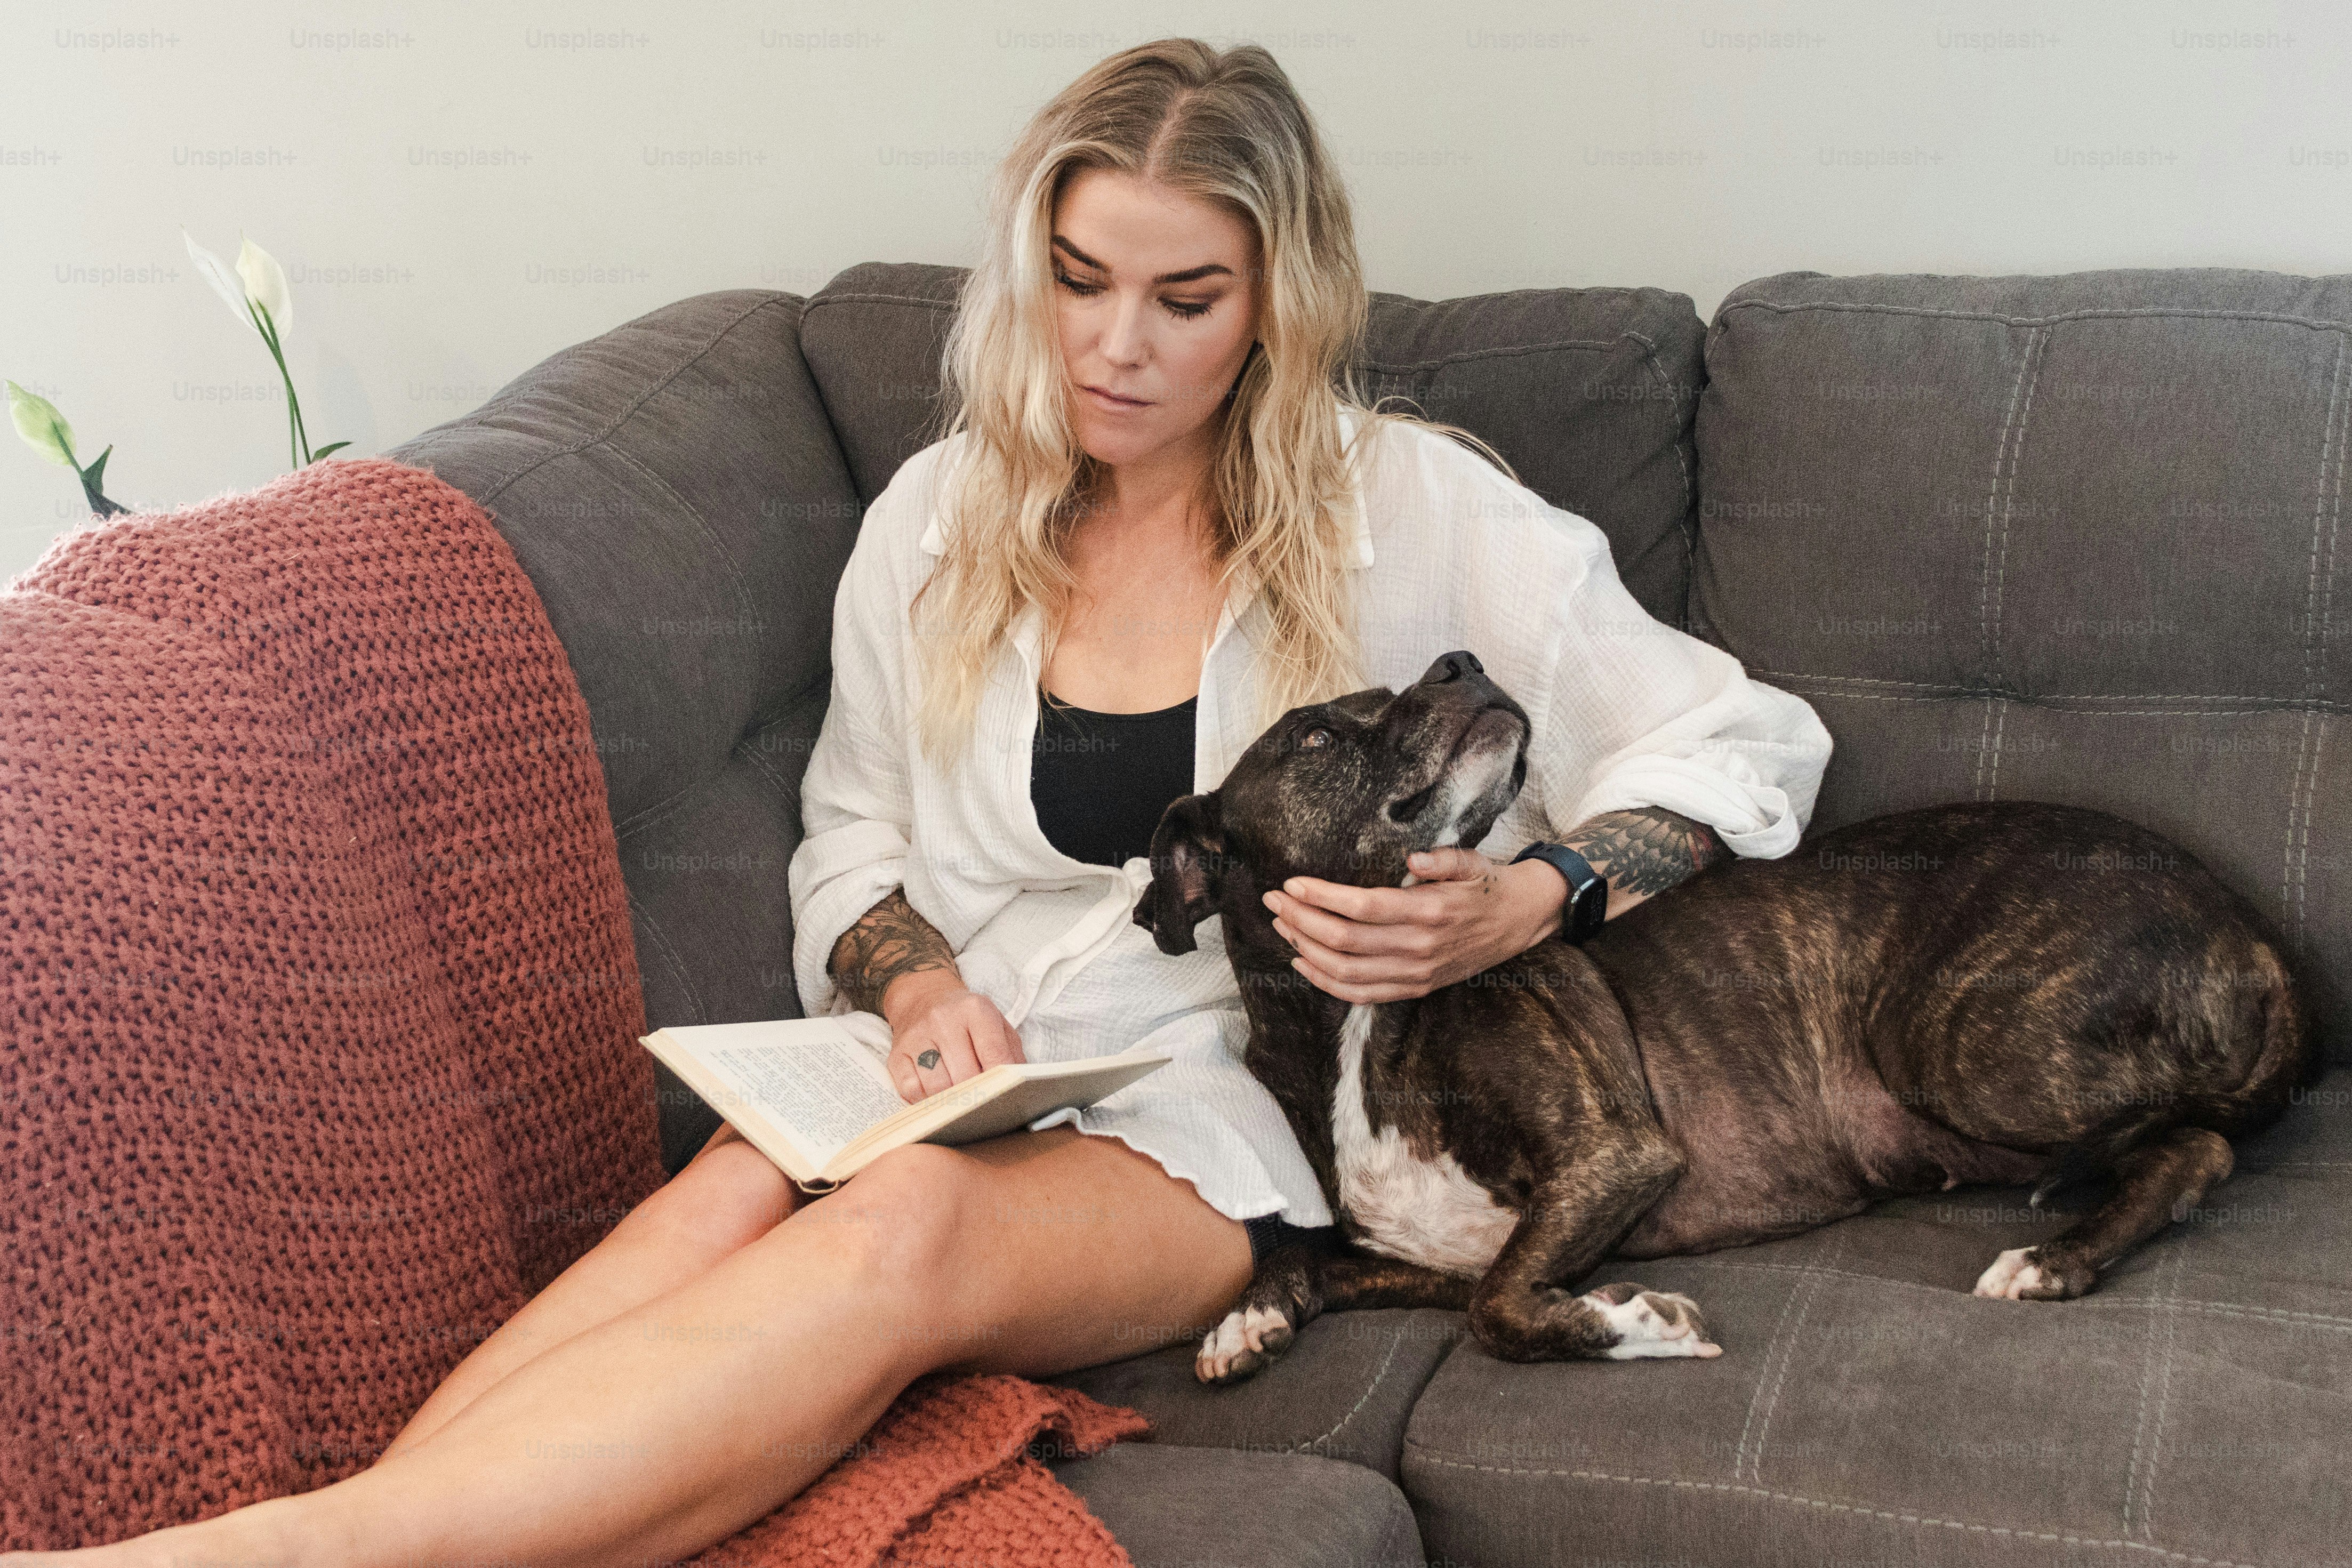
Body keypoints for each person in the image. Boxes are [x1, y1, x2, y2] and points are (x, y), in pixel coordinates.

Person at [20, 37, 1831, 1568]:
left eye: (1184, 298)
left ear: (1274, 304)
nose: (1115, 344)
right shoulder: (945, 520)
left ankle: (266, 1561)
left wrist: (1538, 895)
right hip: (966, 1052)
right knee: (719, 1199)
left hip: (1230, 1098)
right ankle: (345, 1535)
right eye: (1077, 277)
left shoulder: (1409, 507)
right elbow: (856, 836)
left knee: (894, 1241)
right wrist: (908, 984)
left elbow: (1741, 741)